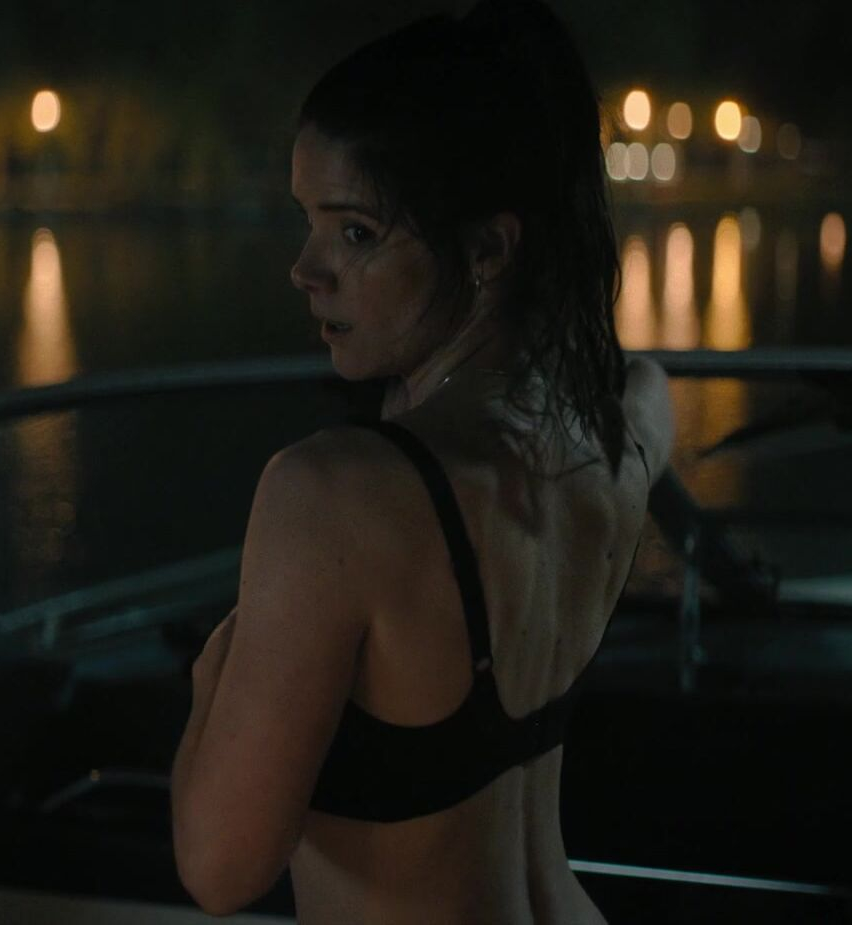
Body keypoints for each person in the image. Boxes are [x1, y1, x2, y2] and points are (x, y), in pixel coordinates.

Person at [170, 1, 673, 920]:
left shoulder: (334, 495)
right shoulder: (612, 444)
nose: (305, 269)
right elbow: (648, 385)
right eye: (309, 222)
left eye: (356, 233)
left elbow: (219, 869)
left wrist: (211, 686)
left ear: (486, 249)